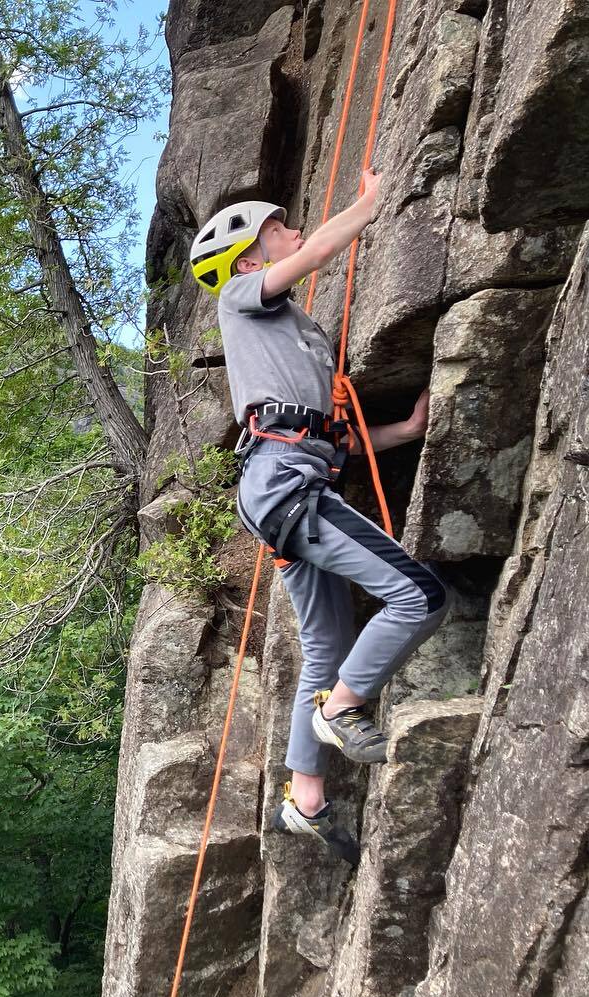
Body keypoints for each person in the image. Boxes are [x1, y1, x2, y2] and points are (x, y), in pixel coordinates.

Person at [188, 170, 452, 865]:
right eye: (279, 227)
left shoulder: (293, 334)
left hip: (286, 481)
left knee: (325, 648)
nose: (295, 230)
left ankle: (304, 798)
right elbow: (309, 259)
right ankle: (341, 710)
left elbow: (333, 439)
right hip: (283, 486)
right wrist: (367, 206)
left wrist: (403, 432)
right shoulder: (239, 298)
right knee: (419, 596)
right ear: (249, 260)